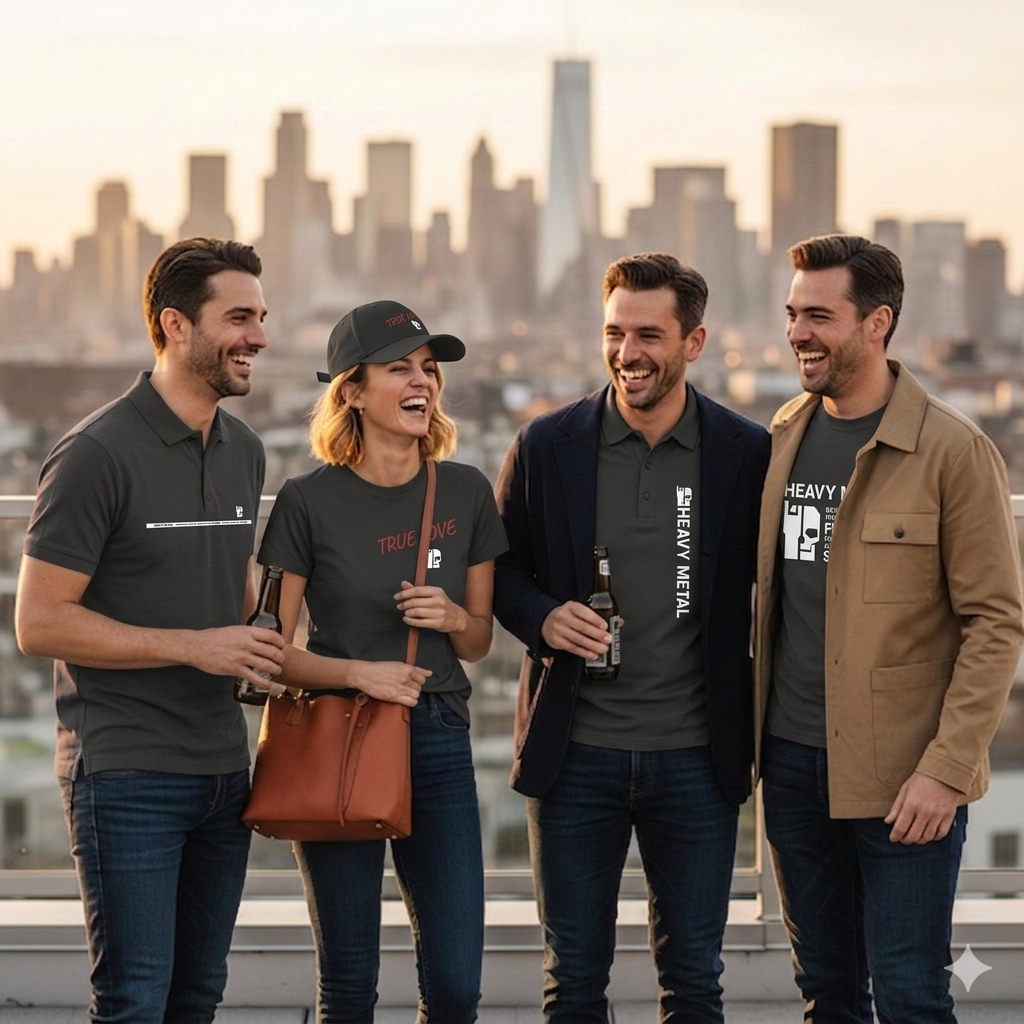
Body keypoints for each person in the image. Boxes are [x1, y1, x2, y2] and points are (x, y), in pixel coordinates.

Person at [494, 253, 771, 1023]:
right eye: (614, 332)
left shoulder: (744, 453)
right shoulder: (547, 446)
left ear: (695, 342)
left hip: (697, 760)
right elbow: (500, 573)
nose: (627, 352)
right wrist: (543, 617)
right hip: (574, 757)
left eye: (649, 334)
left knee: (693, 983)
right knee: (573, 983)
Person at [754, 233, 1024, 1023]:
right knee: (827, 994)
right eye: (792, 314)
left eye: (819, 316)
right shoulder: (783, 434)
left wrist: (946, 770)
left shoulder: (954, 450)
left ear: (877, 324)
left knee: (909, 995)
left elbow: (996, 623)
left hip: (906, 777)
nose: (799, 332)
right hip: (794, 767)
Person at [14, 238, 284, 1023]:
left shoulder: (245, 450)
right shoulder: (96, 453)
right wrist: (195, 647)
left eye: (261, 318)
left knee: (198, 998)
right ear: (174, 325)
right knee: (134, 1003)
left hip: (224, 771)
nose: (259, 337)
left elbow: (230, 583)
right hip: (126, 773)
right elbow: (38, 621)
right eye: (238, 318)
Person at [257, 300, 507, 1024]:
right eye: (399, 367)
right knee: (348, 987)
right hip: (339, 735)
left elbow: (478, 640)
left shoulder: (465, 491)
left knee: (457, 987)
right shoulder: (306, 502)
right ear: (353, 392)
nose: (421, 380)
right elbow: (272, 651)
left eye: (428, 368)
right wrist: (358, 673)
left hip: (436, 736)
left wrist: (454, 615)